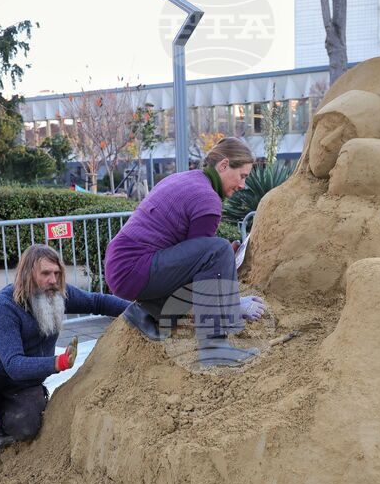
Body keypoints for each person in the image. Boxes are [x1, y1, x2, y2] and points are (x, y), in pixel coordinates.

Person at [0, 244, 129, 478]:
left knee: (27, 426)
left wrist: (139, 310)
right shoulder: (2, 306)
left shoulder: (56, 293)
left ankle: (5, 426)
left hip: (21, 386)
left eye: (57, 273)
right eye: (45, 273)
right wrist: (58, 363)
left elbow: (97, 302)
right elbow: (14, 365)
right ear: (28, 274)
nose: (53, 280)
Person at [104, 137, 266, 367]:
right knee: (220, 249)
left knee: (218, 252)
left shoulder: (185, 178)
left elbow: (190, 261)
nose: (242, 185)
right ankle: (215, 348)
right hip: (135, 268)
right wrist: (234, 304)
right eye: (242, 176)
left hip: (122, 265)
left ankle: (147, 312)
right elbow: (203, 268)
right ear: (223, 165)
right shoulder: (208, 199)